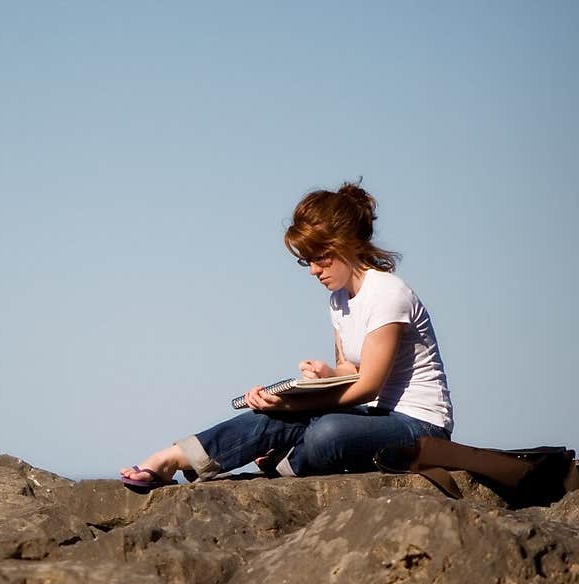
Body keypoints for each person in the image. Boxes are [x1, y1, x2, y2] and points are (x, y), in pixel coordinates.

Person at [119, 181, 453, 491]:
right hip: (373, 418)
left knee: (326, 432)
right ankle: (174, 458)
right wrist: (322, 377)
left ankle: (287, 460)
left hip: (418, 426)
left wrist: (297, 403)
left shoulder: (387, 293)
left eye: (321, 257)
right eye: (306, 260)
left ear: (349, 245)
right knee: (275, 413)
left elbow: (369, 386)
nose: (313, 270)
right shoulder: (338, 299)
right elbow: (350, 370)